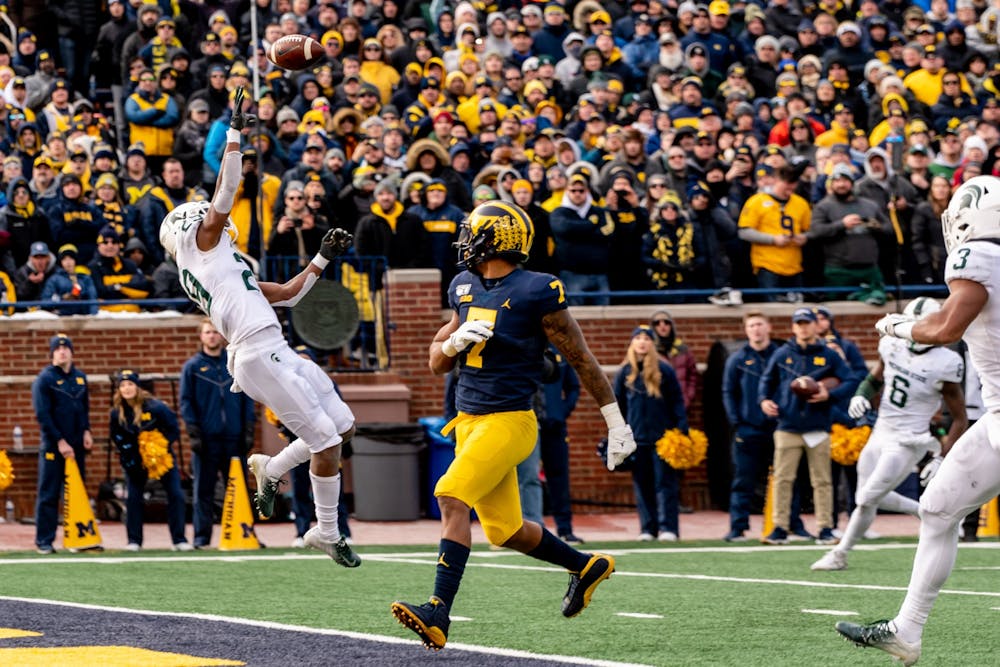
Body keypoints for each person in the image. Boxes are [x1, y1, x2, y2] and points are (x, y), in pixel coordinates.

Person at [390, 200, 637, 651]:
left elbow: (581, 358)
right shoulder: (464, 285)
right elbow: (434, 363)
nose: (465, 240)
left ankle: (438, 612)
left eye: (473, 232)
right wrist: (452, 345)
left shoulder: (536, 290)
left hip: (509, 420)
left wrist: (615, 421)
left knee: (450, 494)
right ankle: (585, 566)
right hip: (468, 420)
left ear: (495, 238)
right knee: (505, 531)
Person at [161, 88, 360, 565]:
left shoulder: (222, 265)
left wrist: (322, 258)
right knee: (325, 442)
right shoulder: (202, 246)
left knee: (344, 427)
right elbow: (226, 193)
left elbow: (289, 293)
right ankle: (326, 532)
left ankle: (271, 468)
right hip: (256, 351)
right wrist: (234, 134)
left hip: (275, 348)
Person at [835, 175, 1000, 664]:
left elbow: (946, 327)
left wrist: (898, 323)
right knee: (937, 509)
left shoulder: (980, 254)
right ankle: (906, 630)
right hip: (995, 416)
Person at [811, 298, 966, 571]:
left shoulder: (946, 361)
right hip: (881, 430)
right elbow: (875, 379)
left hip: (909, 440)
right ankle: (932, 512)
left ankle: (840, 553)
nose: (916, 330)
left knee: (868, 497)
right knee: (867, 498)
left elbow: (959, 417)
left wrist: (942, 456)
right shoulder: (892, 343)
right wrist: (859, 396)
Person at [758, 308, 854, 545]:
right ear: (793, 327)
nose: (803, 327)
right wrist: (764, 400)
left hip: (817, 426)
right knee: (782, 478)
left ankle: (825, 528)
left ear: (814, 326)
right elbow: (766, 380)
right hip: (787, 426)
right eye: (798, 323)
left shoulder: (828, 354)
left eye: (807, 323)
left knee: (822, 480)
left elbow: (852, 379)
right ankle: (780, 527)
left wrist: (828, 394)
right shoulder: (782, 354)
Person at [179, 318, 257, 549]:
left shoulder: (235, 363)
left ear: (222, 336)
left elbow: (247, 398)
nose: (212, 336)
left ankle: (244, 532)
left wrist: (248, 430)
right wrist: (193, 432)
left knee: (239, 487)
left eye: (215, 332)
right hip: (207, 440)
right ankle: (202, 539)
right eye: (207, 332)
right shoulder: (192, 368)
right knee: (203, 489)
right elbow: (186, 402)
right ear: (201, 336)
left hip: (234, 438)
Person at [614, 325, 688, 541]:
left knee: (665, 484)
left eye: (647, 338)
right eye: (638, 338)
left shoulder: (664, 370)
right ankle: (647, 528)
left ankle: (668, 528)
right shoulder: (624, 372)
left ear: (652, 343)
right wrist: (619, 434)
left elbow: (677, 401)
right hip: (636, 440)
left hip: (663, 438)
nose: (642, 342)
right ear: (632, 342)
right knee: (642, 484)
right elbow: (617, 406)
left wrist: (680, 429)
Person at [109, 369, 193, 552]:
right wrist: (130, 455)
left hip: (162, 460)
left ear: (137, 387)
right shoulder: (117, 413)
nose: (127, 388)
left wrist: (159, 448)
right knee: (133, 498)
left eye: (130, 384)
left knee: (176, 495)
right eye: (123, 385)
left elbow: (173, 429)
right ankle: (134, 541)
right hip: (135, 462)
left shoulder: (156, 407)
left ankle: (179, 539)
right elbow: (116, 437)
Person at [32, 334, 92, 554]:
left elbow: (84, 409)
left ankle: (76, 537)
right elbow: (43, 415)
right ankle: (44, 541)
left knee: (76, 492)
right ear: (52, 353)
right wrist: (59, 441)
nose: (62, 351)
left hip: (76, 446)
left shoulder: (79, 378)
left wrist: (87, 431)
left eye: (66, 348)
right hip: (54, 446)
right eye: (57, 348)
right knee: (49, 493)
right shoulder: (44, 379)